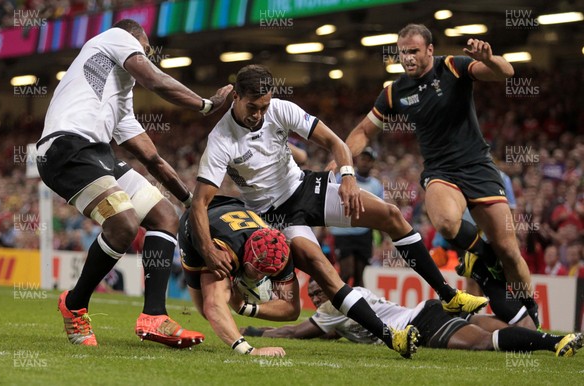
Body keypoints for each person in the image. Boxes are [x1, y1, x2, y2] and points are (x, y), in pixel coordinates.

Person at [189, 64, 488, 359]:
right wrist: (207, 250)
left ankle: (448, 296)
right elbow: (200, 202)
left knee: (391, 215)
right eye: (252, 107)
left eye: (263, 107)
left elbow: (335, 142)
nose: (258, 114)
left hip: (304, 187)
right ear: (236, 98)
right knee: (327, 272)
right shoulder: (220, 140)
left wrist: (347, 176)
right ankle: (391, 337)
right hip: (274, 216)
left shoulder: (280, 109)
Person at [36, 19, 232, 347]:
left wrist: (189, 202)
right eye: (145, 50)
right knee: (123, 224)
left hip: (95, 152)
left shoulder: (120, 102)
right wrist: (207, 105)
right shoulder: (116, 36)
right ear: (135, 40)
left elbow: (153, 160)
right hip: (64, 146)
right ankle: (74, 305)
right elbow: (155, 80)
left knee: (164, 216)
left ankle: (153, 316)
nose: (146, 56)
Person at [338, 23, 540, 326]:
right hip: (441, 172)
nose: (407, 58)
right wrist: (341, 162)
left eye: (414, 51)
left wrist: (488, 58)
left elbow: (506, 73)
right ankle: (484, 258)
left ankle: (530, 310)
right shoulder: (394, 92)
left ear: (429, 50)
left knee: (510, 251)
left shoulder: (452, 67)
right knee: (445, 222)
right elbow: (364, 131)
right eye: (402, 52)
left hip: (478, 167)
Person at [241, 280, 583, 357]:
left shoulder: (332, 309)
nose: (316, 297)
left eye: (319, 290)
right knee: (489, 327)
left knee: (482, 343)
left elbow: (297, 331)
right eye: (313, 294)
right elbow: (331, 334)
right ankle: (543, 333)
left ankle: (553, 342)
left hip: (419, 324)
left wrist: (254, 327)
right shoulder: (349, 294)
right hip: (428, 309)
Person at [178, 196, 299, 357]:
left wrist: (245, 308)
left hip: (234, 208)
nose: (260, 277)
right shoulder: (225, 253)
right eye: (258, 270)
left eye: (267, 274)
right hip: (197, 227)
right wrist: (249, 350)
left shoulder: (279, 254)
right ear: (247, 257)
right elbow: (213, 306)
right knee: (205, 309)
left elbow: (292, 310)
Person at [329, 147, 383, 287]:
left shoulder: (376, 185)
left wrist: (382, 237)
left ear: (373, 163)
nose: (365, 162)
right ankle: (337, 304)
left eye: (368, 160)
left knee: (360, 277)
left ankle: (357, 307)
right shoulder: (343, 178)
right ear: (356, 160)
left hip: (364, 233)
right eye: (362, 159)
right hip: (342, 231)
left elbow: (380, 211)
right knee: (347, 272)